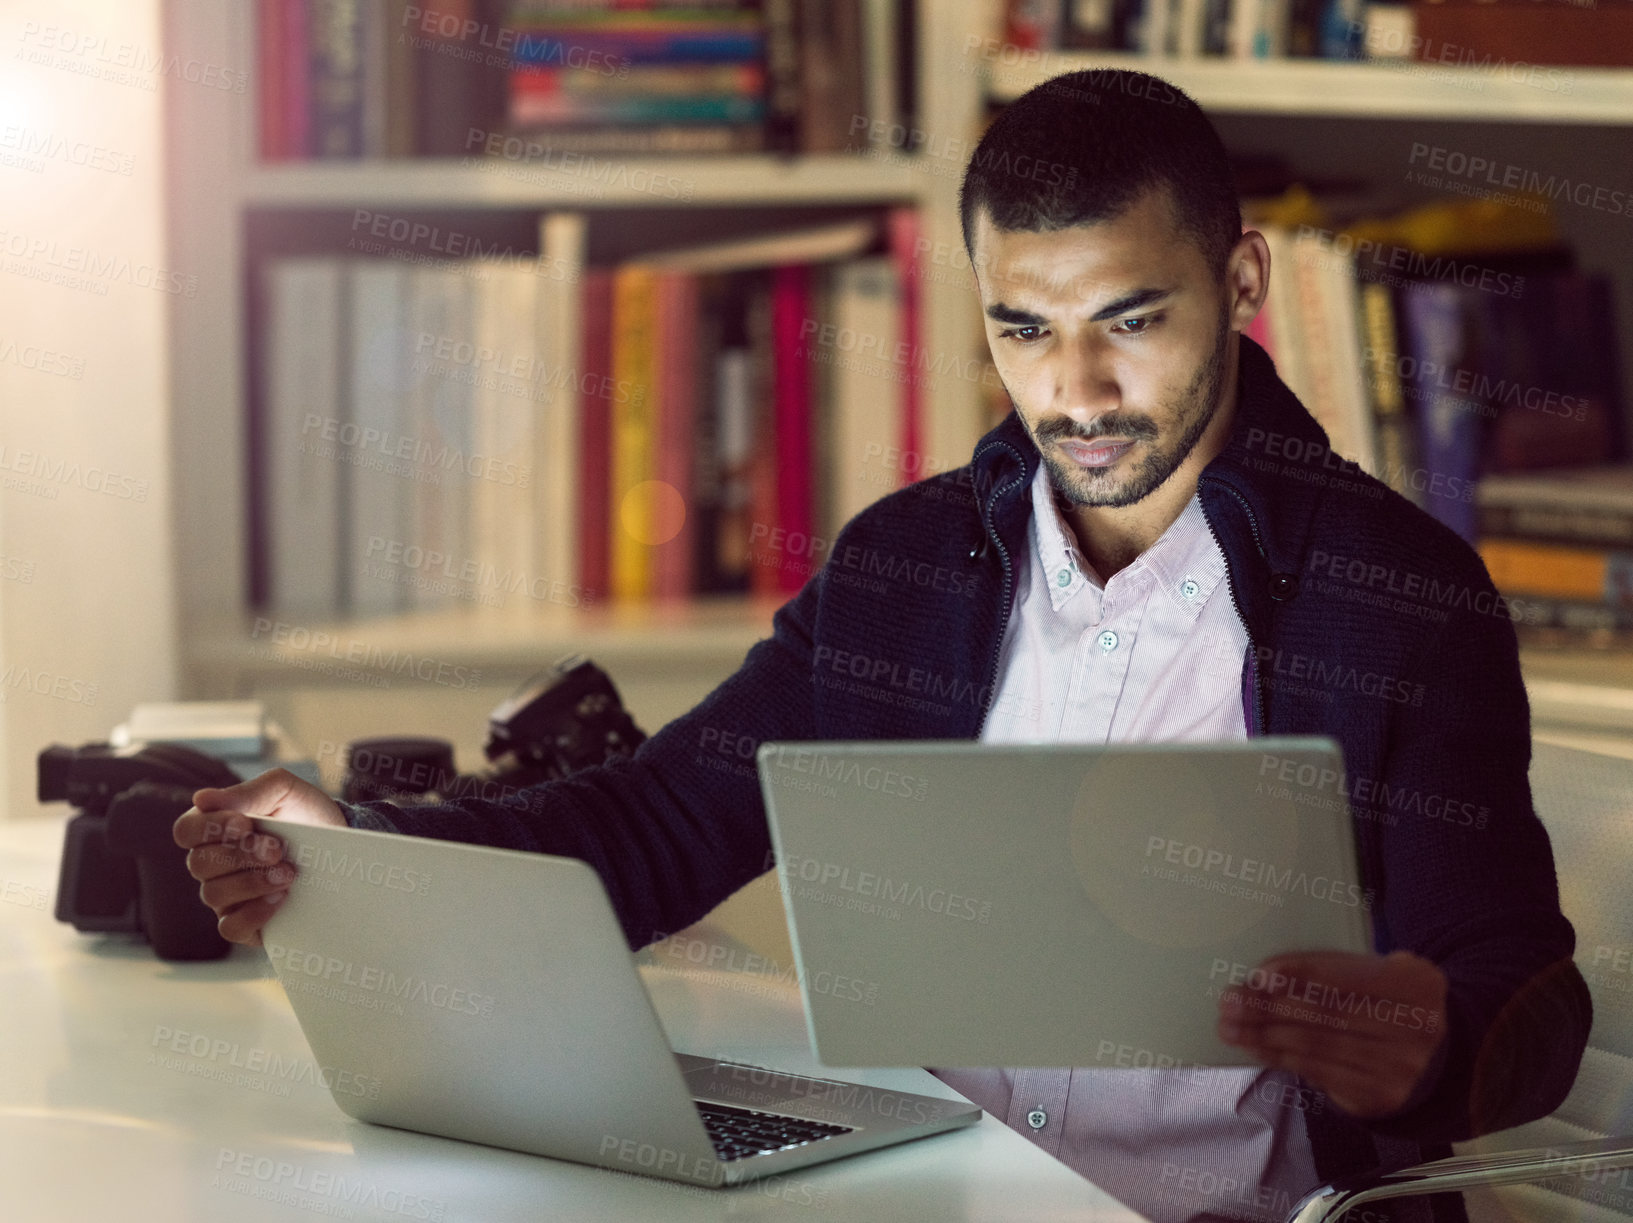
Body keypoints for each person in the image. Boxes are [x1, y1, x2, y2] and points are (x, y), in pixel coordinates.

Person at [176, 70, 1588, 1223]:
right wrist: (354, 839)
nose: (1073, 391)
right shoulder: (905, 568)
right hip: (919, 1198)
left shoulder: (1398, 598)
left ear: (1239, 278)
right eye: (1020, 328)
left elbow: (1521, 990)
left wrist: (1432, 1043)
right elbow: (658, 820)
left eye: (1129, 322)